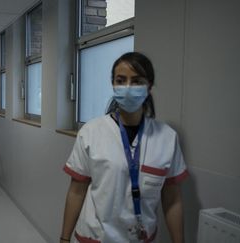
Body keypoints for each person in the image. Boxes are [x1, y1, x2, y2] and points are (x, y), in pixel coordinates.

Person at [60, 52, 188, 243]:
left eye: (137, 81)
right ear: (113, 85)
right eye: (121, 80)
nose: (128, 88)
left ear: (149, 86)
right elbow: (76, 191)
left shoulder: (167, 138)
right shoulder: (91, 132)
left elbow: (172, 201)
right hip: (95, 238)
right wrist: (64, 238)